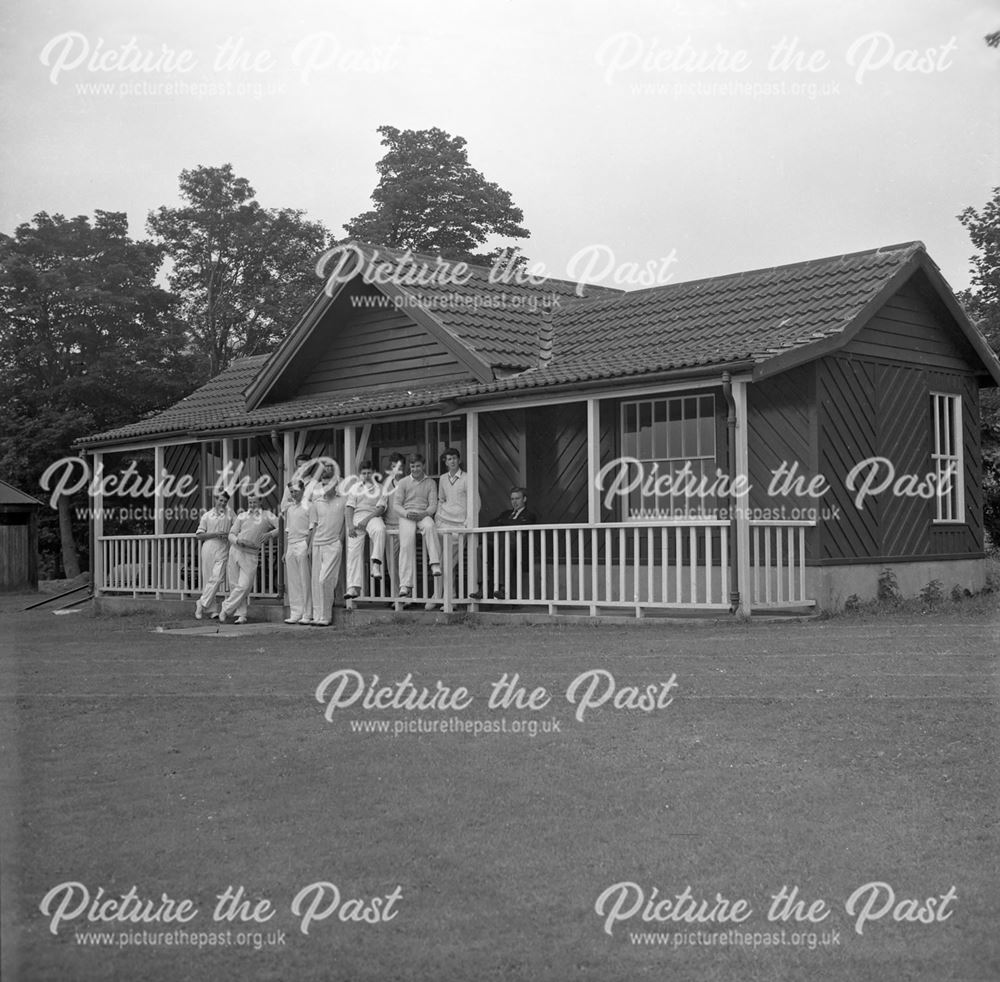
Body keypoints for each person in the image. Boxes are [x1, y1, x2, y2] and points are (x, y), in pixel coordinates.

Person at [219, 492, 279, 624]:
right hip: (235, 551)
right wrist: (237, 541)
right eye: (250, 502)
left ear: (260, 502)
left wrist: (270, 534)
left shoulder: (267, 515)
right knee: (235, 585)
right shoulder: (242, 516)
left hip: (251, 554)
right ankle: (241, 615)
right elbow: (231, 534)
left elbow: (282, 525)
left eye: (254, 502)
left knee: (244, 585)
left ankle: (225, 608)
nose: (252, 505)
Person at [470, 487, 538, 600]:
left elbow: (520, 526)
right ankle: (483, 588)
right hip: (500, 546)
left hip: (517, 550)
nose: (514, 502)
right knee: (482, 549)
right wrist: (510, 523)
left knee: (505, 544)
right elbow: (492, 523)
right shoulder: (506, 513)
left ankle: (503, 587)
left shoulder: (529, 514)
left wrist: (504, 523)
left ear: (524, 499)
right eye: (512, 499)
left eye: (517, 498)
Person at [393, 453, 442, 600]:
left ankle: (434, 563)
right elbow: (396, 504)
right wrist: (406, 513)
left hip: (423, 514)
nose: (415, 469)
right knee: (406, 543)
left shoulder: (431, 483)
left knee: (430, 526)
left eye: (418, 466)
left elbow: (433, 504)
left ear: (423, 466)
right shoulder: (403, 482)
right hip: (407, 515)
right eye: (413, 466)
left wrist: (425, 514)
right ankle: (405, 584)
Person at [433, 447, 477, 604]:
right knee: (438, 561)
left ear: (459, 460)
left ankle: (443, 597)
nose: (452, 461)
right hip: (443, 522)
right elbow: (441, 499)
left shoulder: (467, 478)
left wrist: (467, 522)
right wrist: (438, 518)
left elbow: (475, 502)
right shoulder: (443, 478)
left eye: (454, 458)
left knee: (448, 562)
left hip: (459, 525)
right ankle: (443, 596)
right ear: (445, 462)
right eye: (448, 459)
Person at [308, 462, 347, 625]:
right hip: (317, 544)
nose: (325, 487)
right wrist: (309, 546)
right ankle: (318, 616)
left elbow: (346, 522)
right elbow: (313, 525)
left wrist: (340, 540)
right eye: (323, 484)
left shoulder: (343, 500)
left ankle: (326, 616)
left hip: (333, 544)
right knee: (317, 582)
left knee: (326, 580)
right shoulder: (317, 502)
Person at [345, 461, 387, 599]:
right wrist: (350, 526)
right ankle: (353, 587)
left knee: (380, 529)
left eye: (369, 472)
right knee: (353, 551)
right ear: (360, 474)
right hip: (357, 517)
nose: (366, 475)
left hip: (373, 516)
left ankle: (376, 564)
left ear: (373, 472)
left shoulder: (381, 487)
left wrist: (366, 520)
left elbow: (381, 508)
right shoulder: (355, 488)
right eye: (363, 473)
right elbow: (349, 507)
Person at [194, 491, 234, 619]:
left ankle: (201, 603)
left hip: (223, 547)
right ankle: (212, 610)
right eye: (220, 500)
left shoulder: (230, 514)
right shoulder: (206, 516)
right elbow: (199, 535)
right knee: (208, 578)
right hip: (209, 546)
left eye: (225, 501)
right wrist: (216, 534)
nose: (222, 503)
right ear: (215, 500)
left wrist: (228, 535)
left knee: (218, 578)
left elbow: (237, 528)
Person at [282, 480, 312, 624]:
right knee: (293, 581)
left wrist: (307, 545)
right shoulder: (290, 509)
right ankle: (296, 612)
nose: (294, 494)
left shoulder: (309, 506)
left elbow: (312, 528)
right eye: (291, 492)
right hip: (291, 545)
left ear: (303, 490)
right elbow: (288, 530)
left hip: (302, 542)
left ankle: (307, 613)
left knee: (304, 580)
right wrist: (286, 550)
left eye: (296, 491)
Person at [379, 453, 405, 599]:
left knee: (406, 563)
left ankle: (408, 596)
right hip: (391, 527)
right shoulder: (387, 484)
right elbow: (382, 504)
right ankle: (396, 597)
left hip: (406, 527)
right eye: (394, 466)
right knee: (392, 565)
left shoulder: (408, 482)